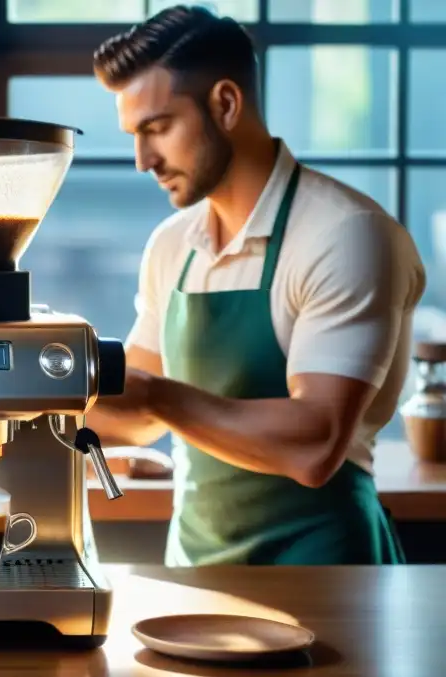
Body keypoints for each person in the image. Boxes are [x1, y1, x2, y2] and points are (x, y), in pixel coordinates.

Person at [89, 5, 426, 566]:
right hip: (194, 573)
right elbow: (141, 417)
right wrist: (24, 393)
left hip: (330, 577)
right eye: (134, 135)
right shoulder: (173, 244)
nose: (143, 160)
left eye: (158, 128)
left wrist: (154, 393)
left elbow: (316, 444)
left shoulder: (347, 234)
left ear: (225, 103)